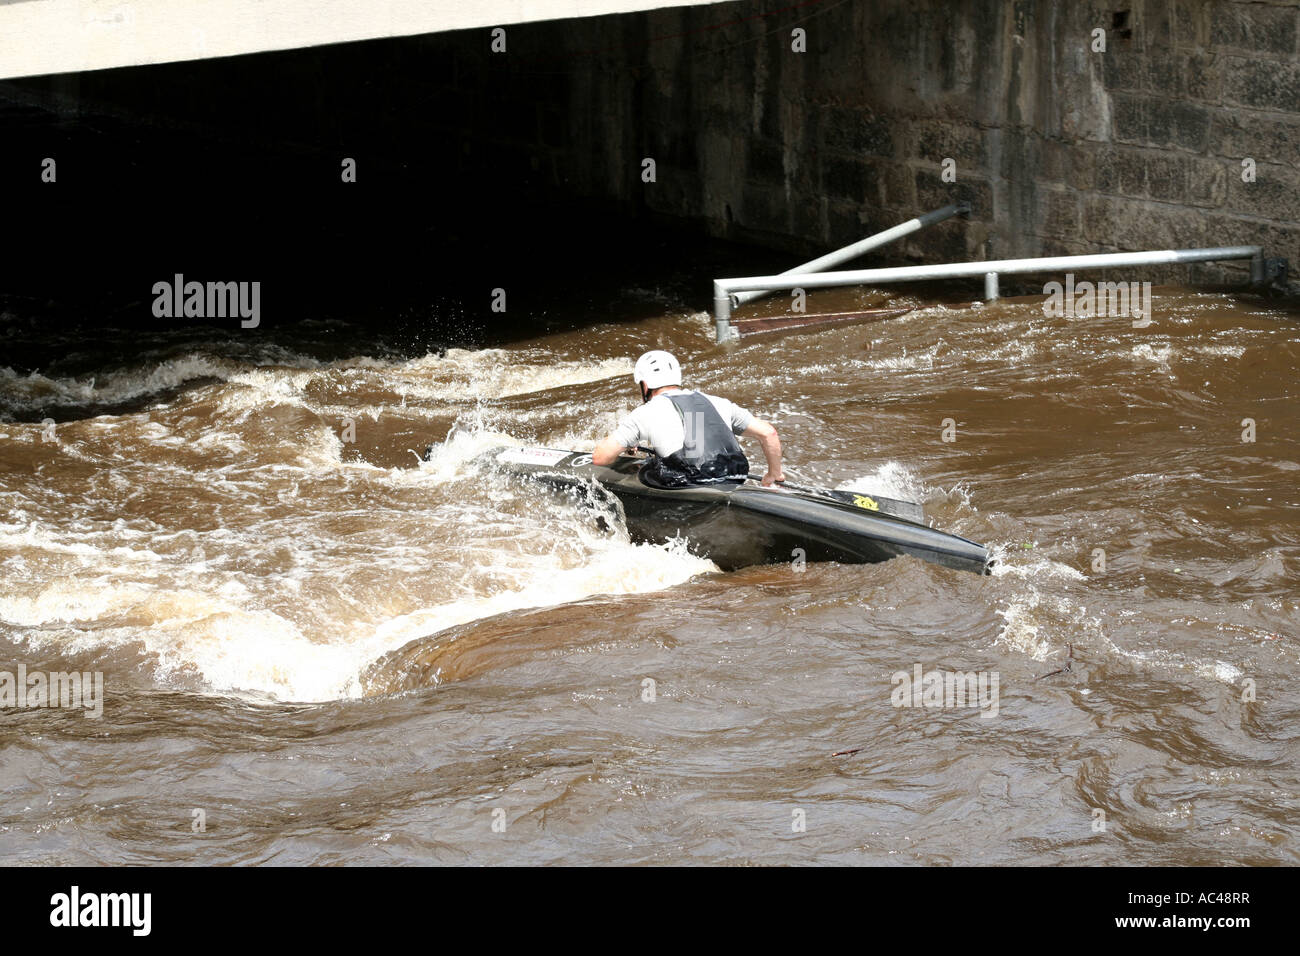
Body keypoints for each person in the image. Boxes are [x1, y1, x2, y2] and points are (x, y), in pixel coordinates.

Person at [591, 350, 785, 488]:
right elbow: (769, 433)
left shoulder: (646, 412)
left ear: (645, 384)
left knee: (646, 467)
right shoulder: (716, 401)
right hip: (733, 476)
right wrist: (774, 474)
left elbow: (601, 457)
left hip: (687, 484)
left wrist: (625, 445)